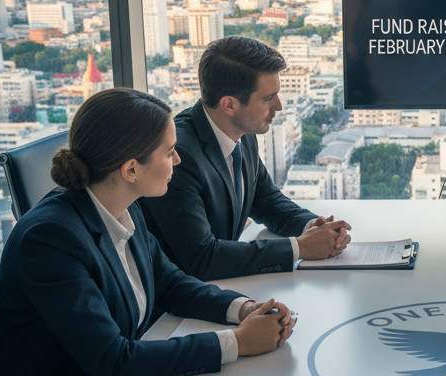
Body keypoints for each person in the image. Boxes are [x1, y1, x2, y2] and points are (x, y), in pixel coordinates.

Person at [0, 87, 295, 376]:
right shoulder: (50, 240)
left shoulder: (123, 205)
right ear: (130, 169)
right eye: (169, 151)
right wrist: (235, 343)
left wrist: (243, 309)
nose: (178, 159)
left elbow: (170, 283)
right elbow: (114, 363)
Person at [141, 36, 352, 280]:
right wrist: (300, 247)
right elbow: (202, 258)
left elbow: (266, 201)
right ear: (229, 105)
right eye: (267, 99)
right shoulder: (179, 156)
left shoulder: (242, 131)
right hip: (177, 305)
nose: (279, 106)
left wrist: (313, 227)